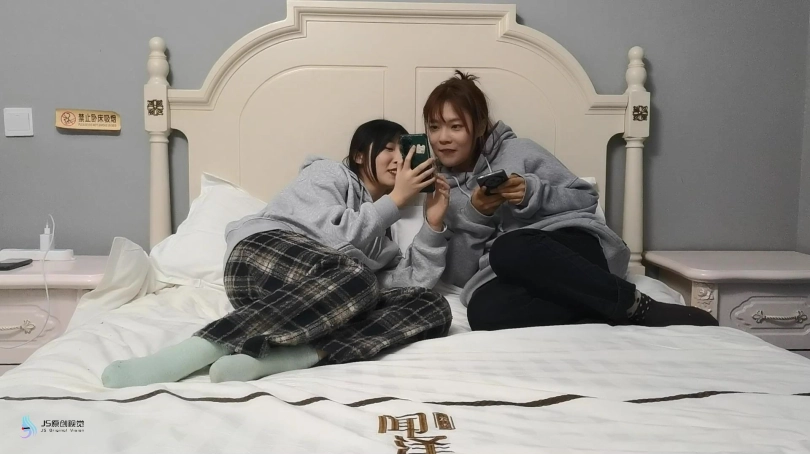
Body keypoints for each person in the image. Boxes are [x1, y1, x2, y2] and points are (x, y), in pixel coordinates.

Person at [102, 119, 453, 388]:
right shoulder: (328, 173)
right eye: (389, 149)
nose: (399, 159)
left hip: (317, 297)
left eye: (405, 150)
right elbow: (332, 237)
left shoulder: (383, 235)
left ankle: (289, 356)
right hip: (260, 255)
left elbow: (411, 282)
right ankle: (191, 353)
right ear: (361, 154)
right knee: (359, 278)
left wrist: (433, 223)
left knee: (432, 306)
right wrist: (395, 201)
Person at [422, 71, 717, 330]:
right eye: (434, 127)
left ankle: (636, 305)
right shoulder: (441, 192)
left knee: (509, 247)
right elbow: (461, 276)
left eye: (455, 126)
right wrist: (476, 216)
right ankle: (604, 308)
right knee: (481, 312)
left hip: (576, 251)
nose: (442, 138)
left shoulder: (520, 151)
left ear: (479, 126)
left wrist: (534, 193)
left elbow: (585, 199)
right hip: (520, 275)